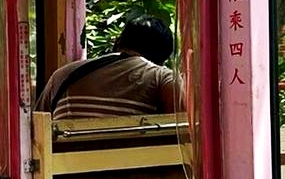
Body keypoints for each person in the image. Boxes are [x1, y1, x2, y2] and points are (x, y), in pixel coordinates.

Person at [36, 15, 181, 122]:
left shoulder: (62, 75)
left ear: (117, 42)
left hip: (62, 155)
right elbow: (181, 130)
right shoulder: (161, 77)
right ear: (163, 58)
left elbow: (37, 126)